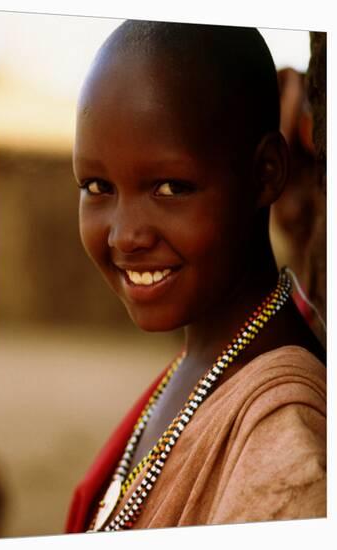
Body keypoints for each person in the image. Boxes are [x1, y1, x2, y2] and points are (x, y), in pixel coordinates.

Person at [65, 20, 326, 533]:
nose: (124, 236)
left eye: (170, 187)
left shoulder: (283, 449)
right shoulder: (204, 359)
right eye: (97, 185)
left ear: (267, 172)